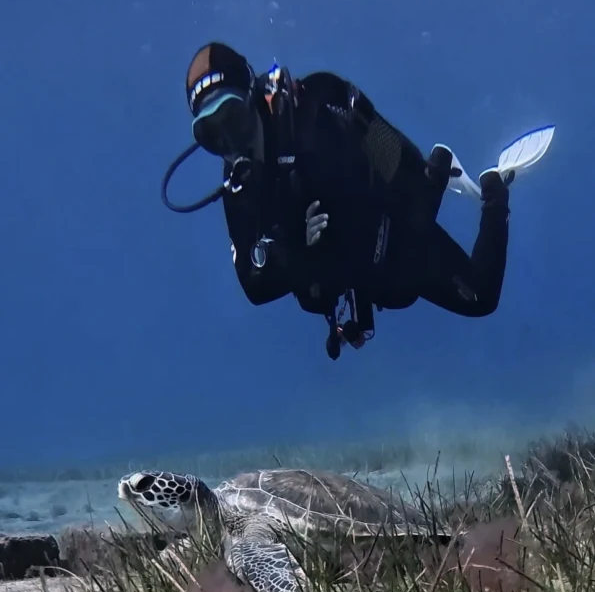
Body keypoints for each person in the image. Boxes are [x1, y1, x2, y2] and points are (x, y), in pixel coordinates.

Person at [164, 41, 513, 359]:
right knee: (361, 289)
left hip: (394, 229)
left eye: (234, 120)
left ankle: (488, 188)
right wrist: (292, 250)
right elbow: (253, 286)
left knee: (479, 295)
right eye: (213, 135)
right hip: (356, 272)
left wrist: (415, 187)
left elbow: (396, 157)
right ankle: (434, 178)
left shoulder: (318, 104)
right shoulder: (239, 185)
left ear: (253, 96)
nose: (231, 142)